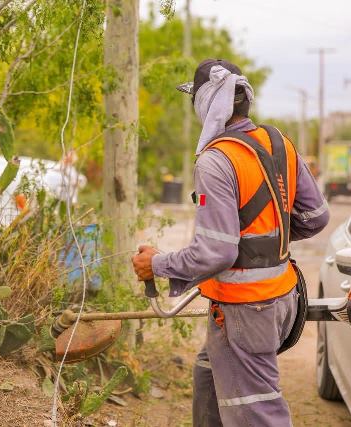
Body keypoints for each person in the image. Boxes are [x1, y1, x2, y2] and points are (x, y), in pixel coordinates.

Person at [131, 59, 329, 427]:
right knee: (208, 374)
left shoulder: (216, 160)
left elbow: (217, 252)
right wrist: (265, 244)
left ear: (206, 104)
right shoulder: (279, 142)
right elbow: (315, 217)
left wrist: (156, 263)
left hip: (247, 309)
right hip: (282, 299)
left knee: (258, 414)